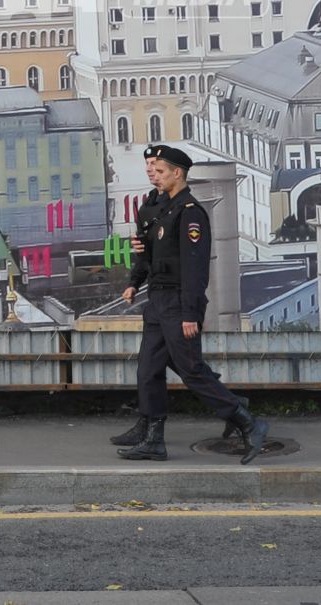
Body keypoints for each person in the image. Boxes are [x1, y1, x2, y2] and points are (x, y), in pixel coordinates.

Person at [109, 143, 269, 464]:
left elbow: (196, 270)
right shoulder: (159, 208)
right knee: (148, 369)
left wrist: (189, 313)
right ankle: (153, 438)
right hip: (157, 300)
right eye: (152, 169)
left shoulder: (190, 214)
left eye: (161, 170)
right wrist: (134, 282)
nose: (155, 175)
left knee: (191, 370)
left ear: (177, 173)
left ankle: (247, 421)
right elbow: (150, 255)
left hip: (178, 302)